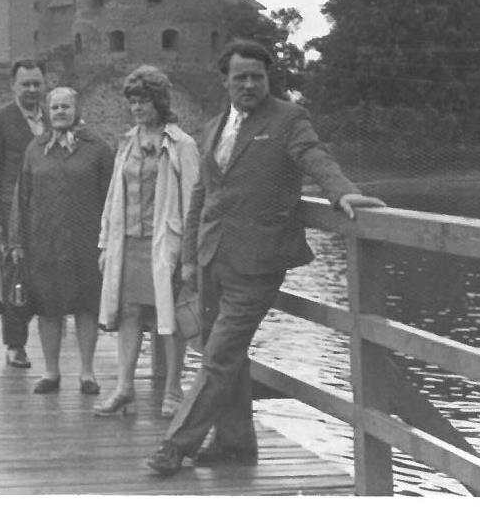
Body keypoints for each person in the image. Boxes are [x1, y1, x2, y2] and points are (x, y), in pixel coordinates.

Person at [146, 39, 384, 477]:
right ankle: (236, 442)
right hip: (213, 257)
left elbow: (315, 157)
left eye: (258, 76)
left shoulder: (289, 119)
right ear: (227, 81)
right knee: (228, 356)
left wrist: (343, 190)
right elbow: (202, 192)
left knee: (217, 355)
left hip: (258, 262)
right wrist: (188, 258)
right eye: (241, 77)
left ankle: (176, 445)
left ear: (268, 79)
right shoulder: (217, 124)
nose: (250, 84)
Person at [95, 65, 199, 419]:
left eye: (144, 101)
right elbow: (113, 196)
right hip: (129, 242)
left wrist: (189, 256)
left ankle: (172, 389)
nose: (137, 108)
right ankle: (124, 387)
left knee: (166, 317)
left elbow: (193, 203)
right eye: (133, 101)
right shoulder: (127, 142)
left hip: (165, 243)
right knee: (129, 313)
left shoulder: (182, 144)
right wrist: (105, 243)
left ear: (160, 101)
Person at [14, 87, 113, 396]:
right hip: (45, 239)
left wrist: (109, 241)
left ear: (77, 109)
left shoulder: (96, 148)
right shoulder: (35, 149)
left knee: (86, 306)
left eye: (65, 106)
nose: (59, 112)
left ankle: (87, 373)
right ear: (47, 111)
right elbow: (22, 196)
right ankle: (51, 372)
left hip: (85, 239)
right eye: (54, 107)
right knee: (48, 307)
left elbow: (112, 198)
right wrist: (17, 240)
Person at [0, 59, 48, 369]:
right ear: (13, 86)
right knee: (14, 280)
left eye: (37, 83)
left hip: (48, 214)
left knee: (46, 279)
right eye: (26, 84)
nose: (32, 89)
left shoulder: (54, 117)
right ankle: (15, 345)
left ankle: (49, 345)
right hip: (11, 215)